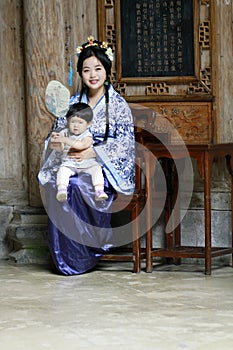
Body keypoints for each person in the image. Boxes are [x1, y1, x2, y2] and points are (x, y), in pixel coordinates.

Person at [39, 35, 135, 275]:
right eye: (86, 70)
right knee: (58, 183)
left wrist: (93, 151)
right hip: (71, 162)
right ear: (80, 74)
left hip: (102, 169)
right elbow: (56, 135)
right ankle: (67, 257)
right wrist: (60, 143)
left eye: (98, 68)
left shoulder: (118, 105)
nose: (92, 74)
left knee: (81, 184)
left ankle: (85, 253)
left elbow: (124, 144)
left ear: (107, 71)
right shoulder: (73, 104)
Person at [51, 102, 108, 202]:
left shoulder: (87, 135)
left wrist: (65, 140)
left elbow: (82, 145)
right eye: (73, 122)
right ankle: (62, 189)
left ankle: (99, 190)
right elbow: (60, 149)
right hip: (69, 163)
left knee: (97, 169)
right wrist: (56, 141)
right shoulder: (64, 133)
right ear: (68, 121)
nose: (76, 126)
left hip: (87, 164)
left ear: (88, 124)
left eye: (80, 122)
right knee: (62, 171)